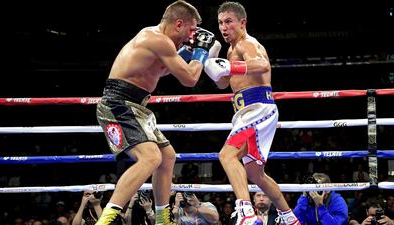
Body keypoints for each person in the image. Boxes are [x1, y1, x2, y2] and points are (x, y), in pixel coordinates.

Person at [95, 1, 219, 224]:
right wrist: (201, 52)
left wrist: (187, 51)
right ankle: (105, 220)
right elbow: (190, 79)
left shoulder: (156, 39)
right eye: (191, 30)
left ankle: (163, 219)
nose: (193, 35)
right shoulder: (158, 40)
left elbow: (160, 70)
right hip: (118, 104)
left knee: (167, 156)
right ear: (178, 23)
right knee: (150, 157)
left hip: (136, 106)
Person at [204, 2, 300, 225]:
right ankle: (289, 218)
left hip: (257, 109)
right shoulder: (230, 50)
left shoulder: (248, 44)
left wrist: (230, 67)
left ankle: (246, 213)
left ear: (242, 22)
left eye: (228, 21)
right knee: (256, 174)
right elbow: (223, 83)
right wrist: (210, 64)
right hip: (246, 112)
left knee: (227, 155)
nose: (223, 27)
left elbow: (262, 64)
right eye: (220, 23)